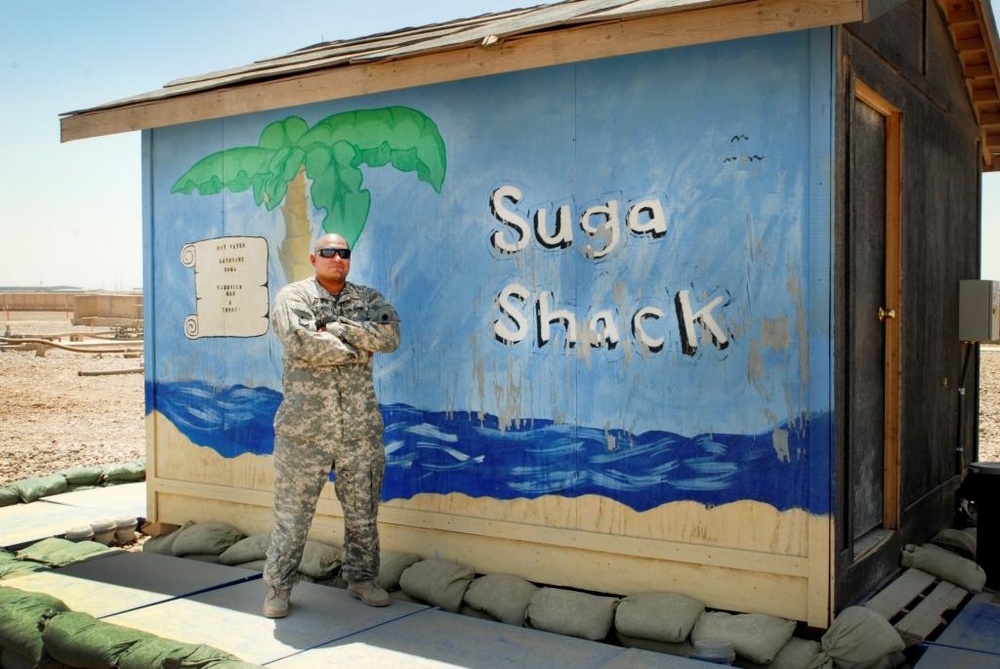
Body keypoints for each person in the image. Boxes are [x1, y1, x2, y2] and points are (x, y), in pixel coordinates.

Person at [262, 233, 400, 618]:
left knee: (362, 514)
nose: (337, 258)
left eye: (343, 253)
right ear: (313, 258)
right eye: (328, 253)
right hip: (304, 433)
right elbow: (300, 341)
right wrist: (357, 347)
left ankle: (362, 579)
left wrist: (338, 329)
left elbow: (390, 337)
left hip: (360, 431)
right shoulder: (294, 297)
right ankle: (278, 587)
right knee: (292, 517)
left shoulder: (369, 299)